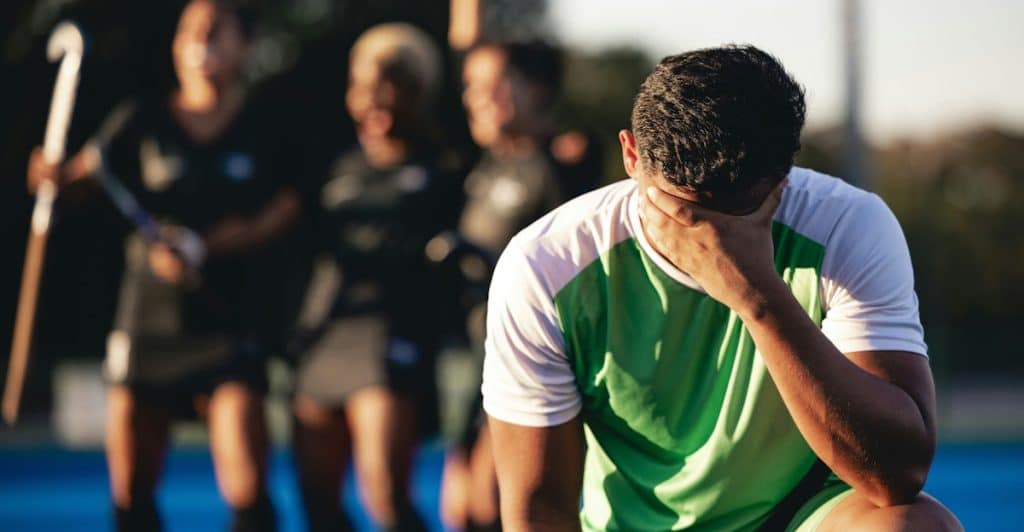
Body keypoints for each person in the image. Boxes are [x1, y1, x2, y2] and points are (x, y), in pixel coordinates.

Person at [481, 45, 963, 531]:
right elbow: (539, 506)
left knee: (915, 526)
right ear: (631, 155)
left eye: (733, 217)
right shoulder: (546, 264)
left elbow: (897, 476)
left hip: (799, 518)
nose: (705, 240)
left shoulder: (845, 226)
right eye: (680, 209)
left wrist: (758, 297)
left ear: (781, 179)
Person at [27, 1, 298, 530]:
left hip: (228, 319)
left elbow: (284, 211)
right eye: (190, 30)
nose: (200, 42)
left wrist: (206, 247)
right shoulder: (140, 119)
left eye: (216, 32)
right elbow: (82, 176)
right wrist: (51, 176)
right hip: (147, 320)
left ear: (245, 46)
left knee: (246, 481)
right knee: (131, 486)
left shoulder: (266, 129)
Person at [288, 23, 458, 532]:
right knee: (317, 500)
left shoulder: (444, 163)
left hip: (392, 338)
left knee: (385, 496)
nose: (375, 103)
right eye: (364, 90)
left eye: (392, 87)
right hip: (326, 336)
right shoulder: (336, 167)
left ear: (417, 94)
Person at [437, 39, 605, 532]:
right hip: (479, 352)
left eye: (493, 87)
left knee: (498, 504)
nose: (475, 98)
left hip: (537, 359)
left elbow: (577, 266)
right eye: (471, 87)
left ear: (536, 90)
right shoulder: (484, 165)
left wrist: (487, 260)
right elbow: (462, 50)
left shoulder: (564, 161)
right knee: (461, 508)